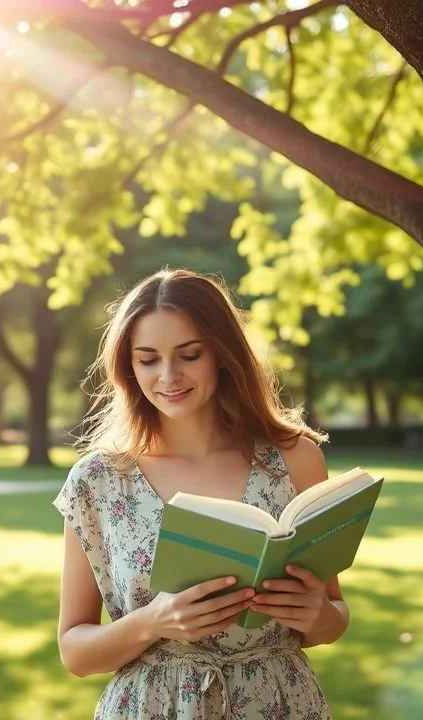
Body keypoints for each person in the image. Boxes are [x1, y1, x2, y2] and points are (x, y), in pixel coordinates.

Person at [54, 268, 348, 718]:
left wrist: (319, 616)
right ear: (128, 367)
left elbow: (334, 616)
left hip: (280, 703)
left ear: (222, 354)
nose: (168, 376)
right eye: (147, 359)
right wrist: (153, 622)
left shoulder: (295, 459)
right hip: (153, 706)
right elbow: (74, 651)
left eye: (189, 355)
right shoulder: (97, 480)